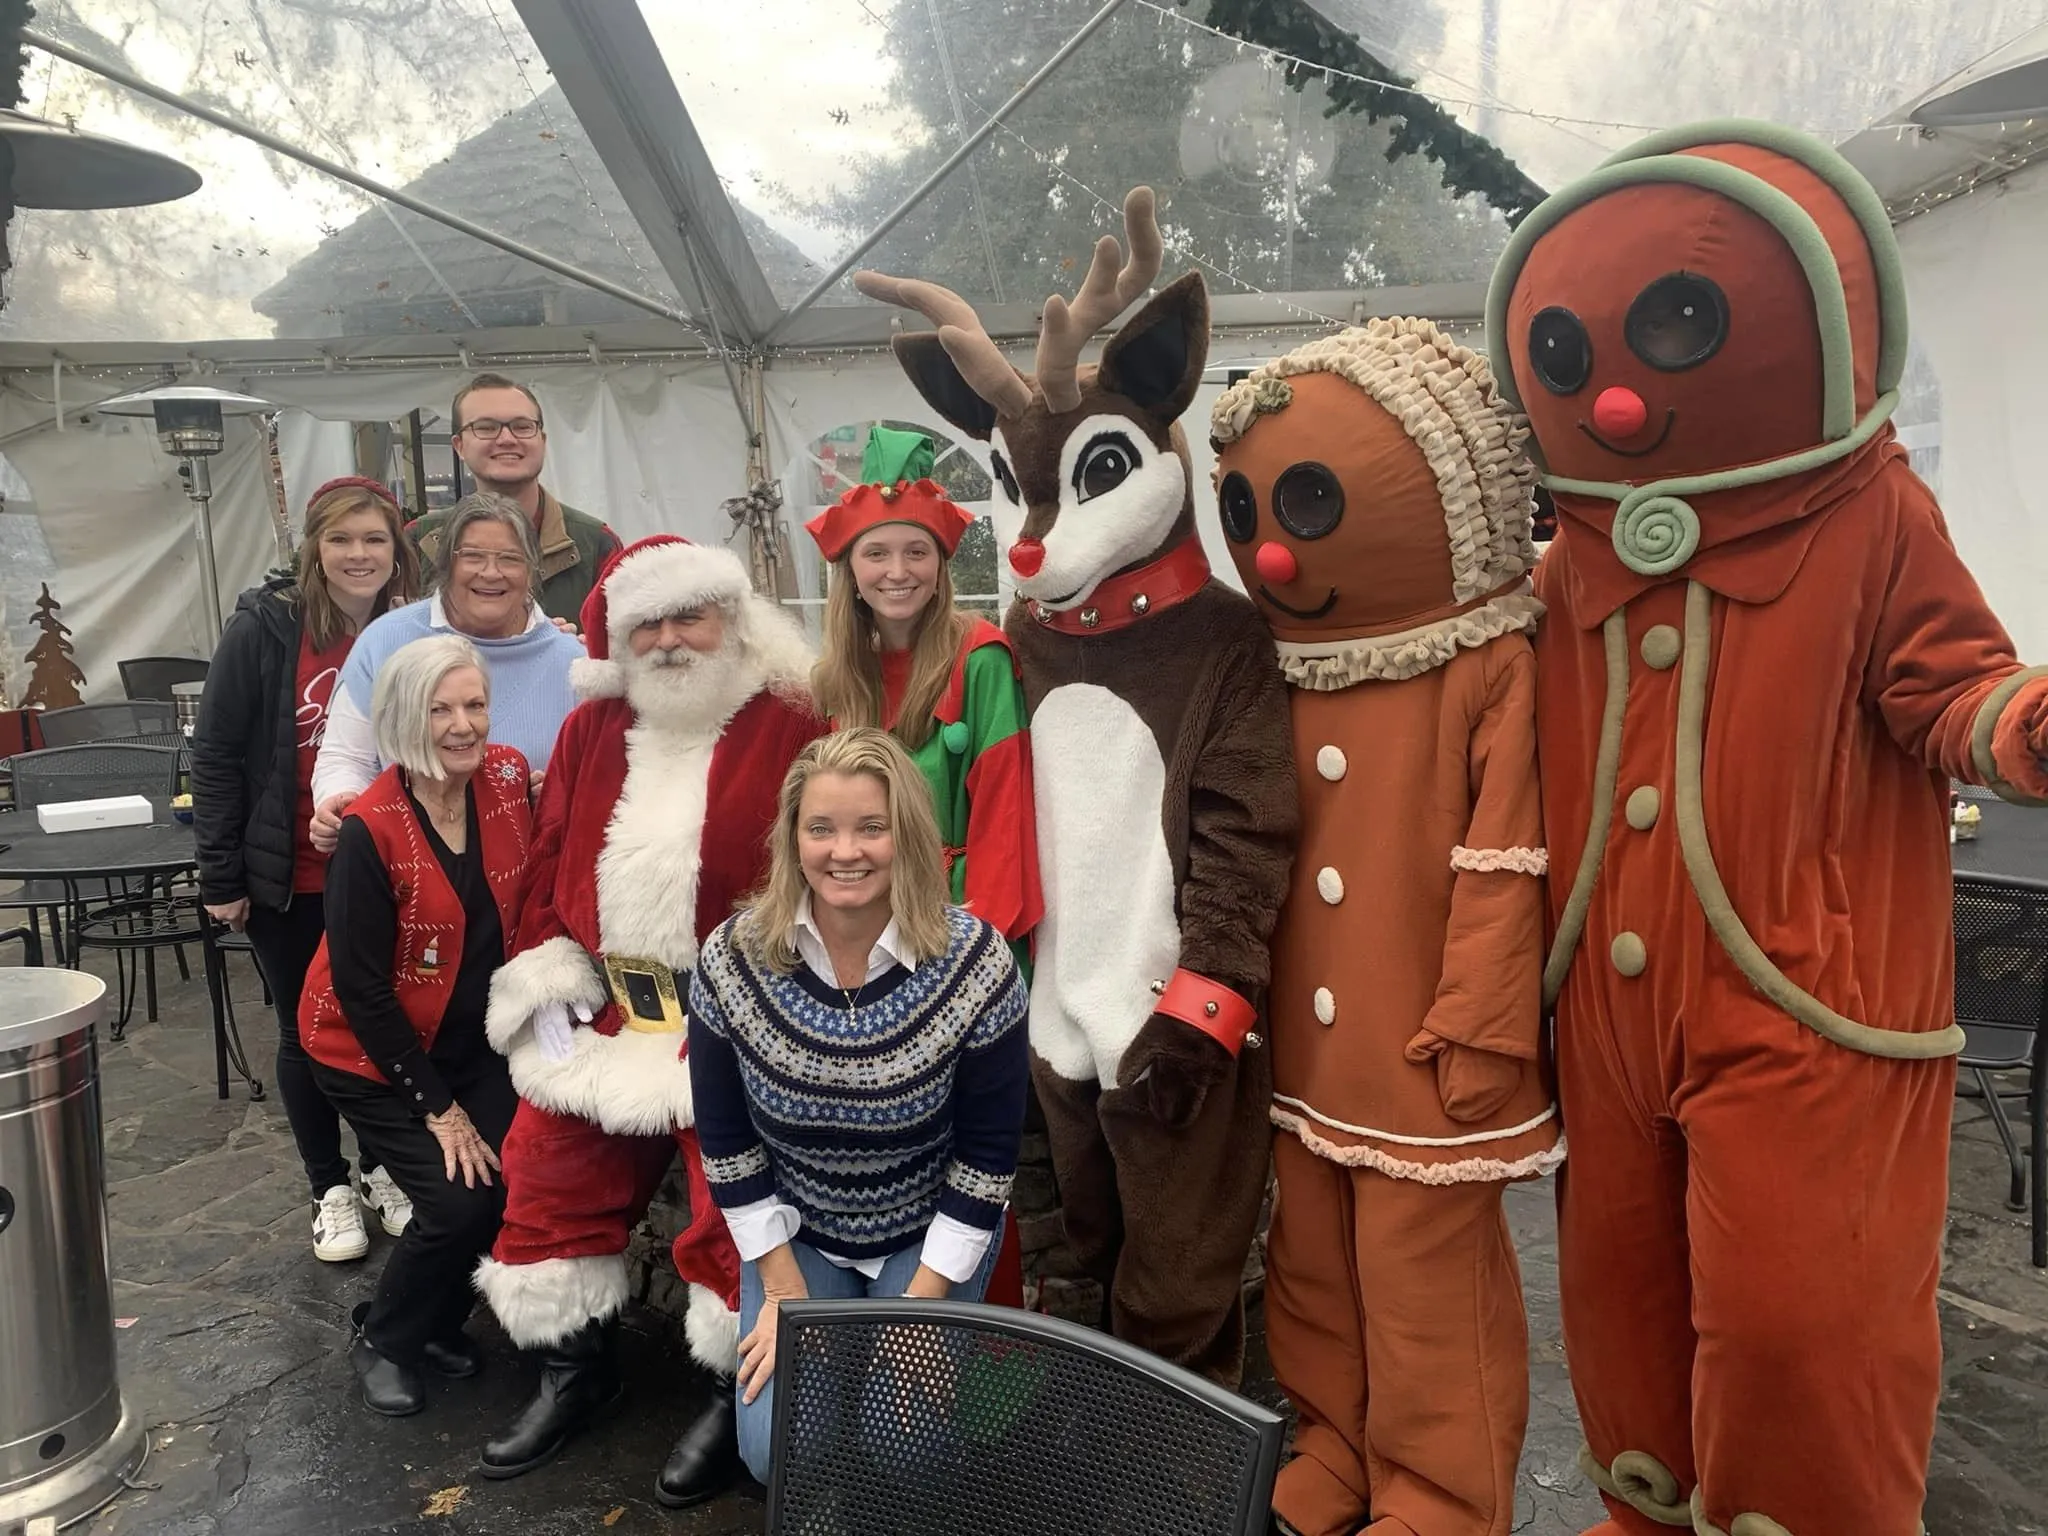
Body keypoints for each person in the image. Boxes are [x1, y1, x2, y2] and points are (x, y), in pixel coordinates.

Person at [1488, 121, 2048, 1536]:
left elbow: (1953, 684)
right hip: (1603, 1019)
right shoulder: (1564, 561)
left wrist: (2021, 725)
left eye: (1677, 326)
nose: (1614, 405)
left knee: (1805, 1324)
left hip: (1808, 1006)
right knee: (1622, 1309)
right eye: (1572, 362)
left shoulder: (1870, 513)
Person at [1213, 321, 1560, 1536]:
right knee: (1308, 1269)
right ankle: (1335, 1449)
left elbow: (1507, 861)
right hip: (1305, 1055)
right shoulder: (1274, 662)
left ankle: (1443, 1496)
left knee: (1428, 1291)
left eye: (1305, 499)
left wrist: (1480, 1022)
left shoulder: (1488, 662)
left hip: (1419, 1047)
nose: (1267, 545)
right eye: (1249, 504)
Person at [473, 534, 825, 1506]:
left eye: (688, 616)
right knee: (546, 1164)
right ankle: (574, 1371)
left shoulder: (789, 719)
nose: (670, 639)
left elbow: (825, 869)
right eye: (648, 623)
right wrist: (548, 982)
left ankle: (730, 1386)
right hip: (610, 1008)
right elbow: (548, 861)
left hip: (739, 1013)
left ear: (731, 619)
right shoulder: (594, 728)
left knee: (734, 1195)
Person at [686, 726, 1028, 1488]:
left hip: (926, 1226)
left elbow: (985, 1160)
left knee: (902, 1449)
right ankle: (829, 1415)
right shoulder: (732, 958)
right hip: (799, 1228)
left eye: (872, 827)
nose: (847, 851)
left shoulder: (977, 963)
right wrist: (781, 1290)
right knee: (775, 1452)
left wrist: (922, 1311)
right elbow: (729, 1143)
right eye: (822, 828)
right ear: (792, 838)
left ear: (907, 834)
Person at [296, 635, 531, 1417]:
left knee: (512, 1179)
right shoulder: (369, 831)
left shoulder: (503, 781)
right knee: (458, 1202)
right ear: (403, 718)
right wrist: (442, 1110)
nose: (465, 725)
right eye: (441, 710)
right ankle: (386, 1337)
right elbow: (362, 992)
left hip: (470, 1040)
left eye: (475, 705)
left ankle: (432, 1322)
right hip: (369, 1053)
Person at [192, 475, 424, 1262]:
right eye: (341, 539)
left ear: (397, 551)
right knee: (305, 1030)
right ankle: (328, 1186)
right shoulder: (267, 629)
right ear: (314, 549)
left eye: (374, 539)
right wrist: (221, 877)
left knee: (388, 1021)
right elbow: (217, 755)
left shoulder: (413, 628)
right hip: (290, 872)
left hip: (391, 871)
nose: (358, 555)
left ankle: (384, 1169)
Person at [804, 425, 1041, 965]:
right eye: (876, 554)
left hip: (961, 927)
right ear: (851, 571)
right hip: (868, 928)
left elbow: (1003, 824)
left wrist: (977, 952)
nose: (897, 572)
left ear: (940, 566)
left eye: (916, 552)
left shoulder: (981, 658)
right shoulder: (841, 677)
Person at [309, 491, 583, 850]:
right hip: (405, 878)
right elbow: (346, 757)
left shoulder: (573, 663)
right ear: (446, 564)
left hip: (530, 881)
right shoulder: (386, 640)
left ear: (532, 570)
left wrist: (561, 797)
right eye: (472, 556)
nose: (491, 572)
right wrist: (340, 800)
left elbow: (599, 781)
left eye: (510, 559)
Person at [406, 372, 620, 624]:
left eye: (522, 427)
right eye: (486, 428)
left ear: (542, 440)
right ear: (459, 446)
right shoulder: (418, 543)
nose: (507, 439)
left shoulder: (597, 546)